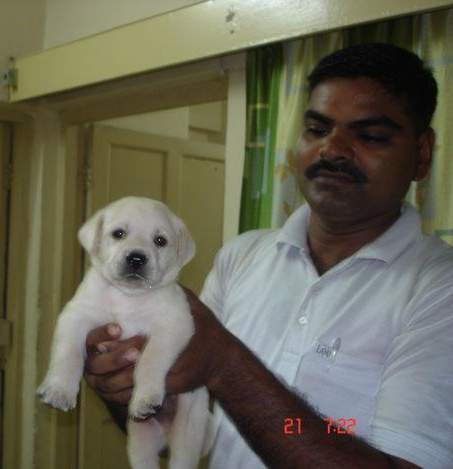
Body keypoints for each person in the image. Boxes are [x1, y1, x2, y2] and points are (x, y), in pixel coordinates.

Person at [83, 43, 453, 468]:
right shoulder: (242, 255)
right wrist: (127, 384)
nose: (333, 150)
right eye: (317, 129)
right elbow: (186, 430)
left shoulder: (439, 288)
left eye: (369, 136)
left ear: (422, 155)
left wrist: (225, 364)